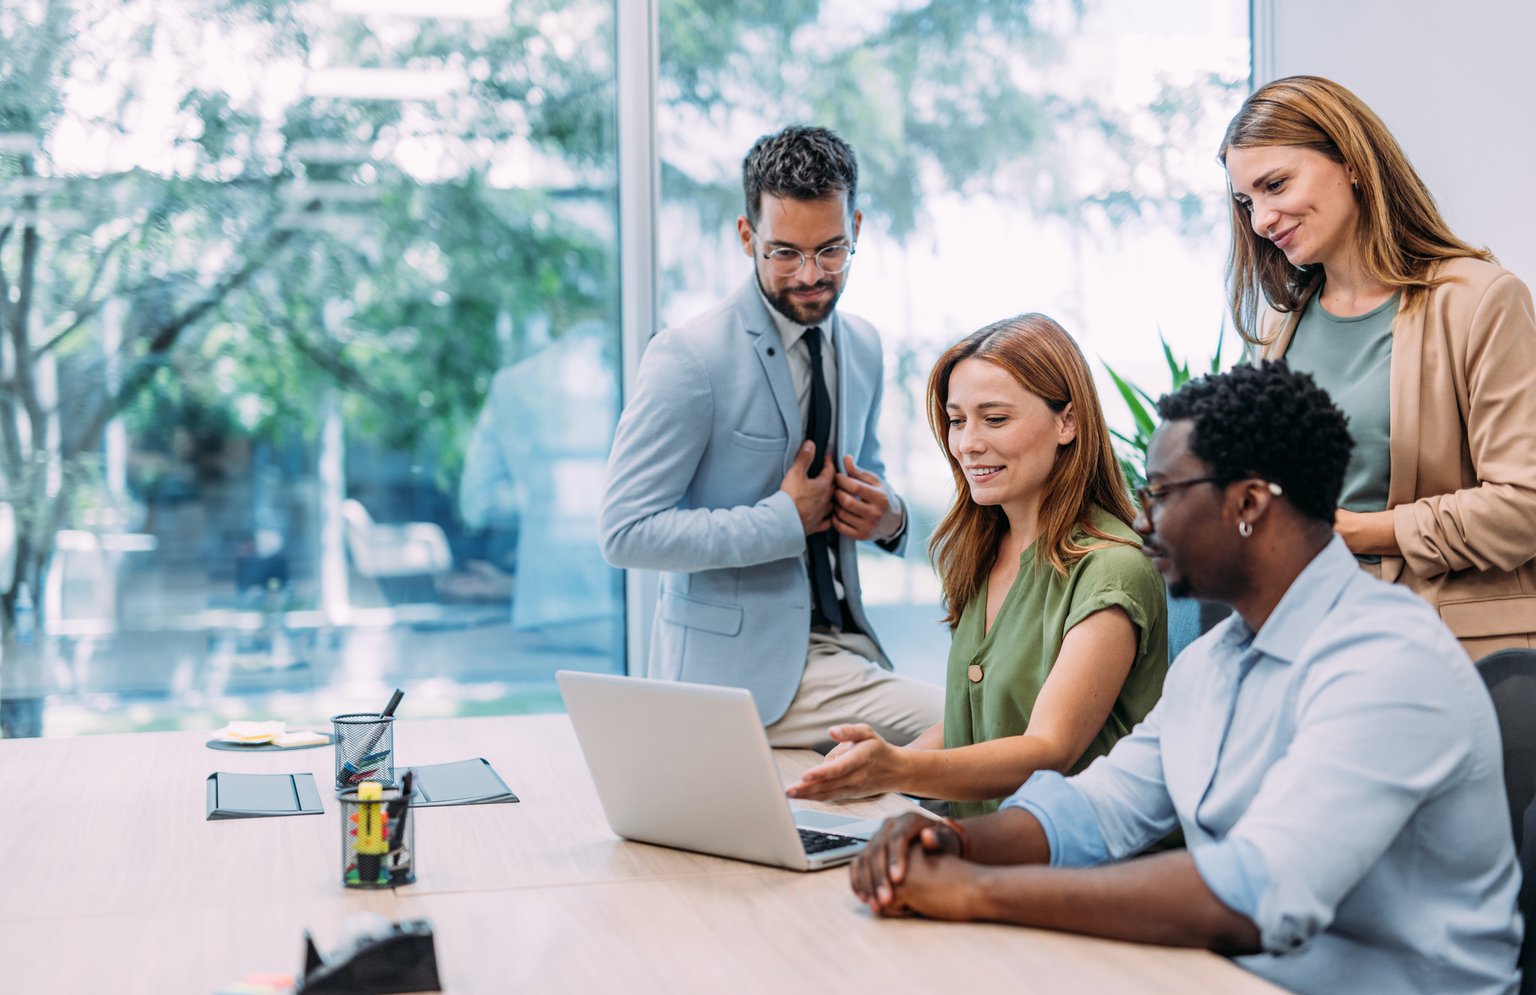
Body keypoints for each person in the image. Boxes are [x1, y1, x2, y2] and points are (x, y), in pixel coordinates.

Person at [849, 362, 1521, 995]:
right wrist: (953, 840)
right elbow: (1098, 809)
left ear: (1250, 501)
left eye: (1164, 493)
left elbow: (1254, 892)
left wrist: (971, 891)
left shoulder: (1387, 661)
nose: (1143, 520)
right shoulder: (1210, 661)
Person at [600, 125, 942, 747]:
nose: (810, 275)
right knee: (972, 732)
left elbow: (868, 471)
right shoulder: (689, 358)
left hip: (846, 647)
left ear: (857, 228)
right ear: (746, 236)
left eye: (831, 250)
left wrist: (889, 518)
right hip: (738, 679)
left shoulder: (862, 345)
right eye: (784, 252)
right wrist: (783, 520)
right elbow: (625, 532)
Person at [785, 315, 1167, 815]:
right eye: (958, 419)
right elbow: (972, 720)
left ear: (1067, 422)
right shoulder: (984, 550)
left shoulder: (1112, 569)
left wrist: (896, 769)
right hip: (988, 845)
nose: (967, 443)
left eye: (995, 418)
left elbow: (1048, 750)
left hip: (1076, 866)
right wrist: (861, 774)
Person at [1220, 74, 1536, 657]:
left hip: (1451, 652)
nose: (1262, 218)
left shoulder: (1479, 300)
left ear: (1352, 162)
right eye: (1248, 201)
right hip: (1309, 642)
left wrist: (1361, 532)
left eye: (1275, 185)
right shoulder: (1276, 334)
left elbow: (1524, 506)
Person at [459, 319, 621, 654]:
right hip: (624, 591)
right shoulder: (624, 370)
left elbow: (477, 502)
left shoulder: (511, 383)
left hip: (546, 596)